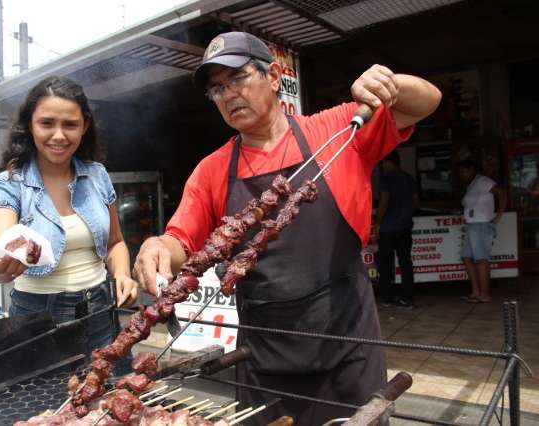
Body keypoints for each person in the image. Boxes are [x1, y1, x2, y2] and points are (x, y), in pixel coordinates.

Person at [133, 32, 441, 425]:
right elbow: (181, 240)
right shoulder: (212, 170)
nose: (228, 95)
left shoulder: (335, 130)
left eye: (238, 78)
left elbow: (427, 101)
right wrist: (159, 246)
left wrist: (389, 84)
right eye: (217, 89)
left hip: (347, 348)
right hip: (263, 360)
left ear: (274, 76)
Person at [0, 76, 138, 369]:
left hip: (100, 309)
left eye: (70, 125)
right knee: (47, 410)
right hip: (38, 317)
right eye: (47, 123)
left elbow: (115, 243)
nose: (58, 135)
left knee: (109, 398)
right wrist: (0, 266)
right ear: (30, 124)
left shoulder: (97, 175)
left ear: (85, 126)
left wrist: (123, 275)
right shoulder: (9, 185)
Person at [458, 159, 506, 303]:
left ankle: (485, 294)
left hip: (481, 225)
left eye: (463, 171)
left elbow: (501, 192)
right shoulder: (471, 185)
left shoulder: (482, 180)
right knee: (466, 257)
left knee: (481, 260)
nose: (461, 175)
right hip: (471, 225)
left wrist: (499, 214)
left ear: (472, 169)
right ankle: (475, 291)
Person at [375, 150, 418, 308]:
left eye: (383, 162)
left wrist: (378, 222)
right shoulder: (408, 178)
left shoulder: (387, 179)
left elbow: (384, 202)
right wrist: (405, 213)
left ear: (389, 162)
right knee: (406, 263)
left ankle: (387, 298)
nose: (382, 166)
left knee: (386, 264)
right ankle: (408, 299)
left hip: (388, 229)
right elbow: (415, 202)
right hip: (405, 227)